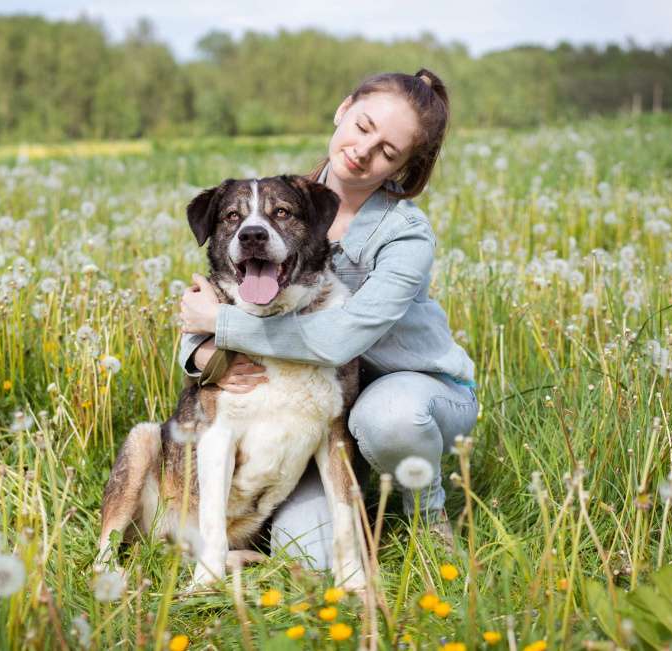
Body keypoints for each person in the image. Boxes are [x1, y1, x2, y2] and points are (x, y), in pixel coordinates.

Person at [177, 69, 477, 568]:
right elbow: (214, 309)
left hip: (413, 394)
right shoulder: (283, 200)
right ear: (343, 109)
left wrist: (222, 327)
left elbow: (340, 338)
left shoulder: (405, 235)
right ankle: (357, 503)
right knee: (312, 557)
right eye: (363, 127)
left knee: (387, 417)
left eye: (387, 150)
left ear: (405, 164)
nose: (364, 150)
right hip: (318, 413)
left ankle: (427, 516)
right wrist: (204, 351)